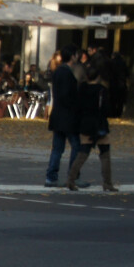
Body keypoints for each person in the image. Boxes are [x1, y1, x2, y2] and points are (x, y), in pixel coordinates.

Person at [67, 66, 116, 191]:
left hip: (85, 124)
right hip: (99, 124)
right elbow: (106, 109)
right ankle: (107, 183)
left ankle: (71, 179)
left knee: (82, 153)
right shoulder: (102, 90)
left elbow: (77, 107)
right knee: (105, 154)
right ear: (98, 77)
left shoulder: (81, 89)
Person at [46, 46, 84, 188]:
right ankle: (73, 175)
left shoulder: (57, 72)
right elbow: (68, 96)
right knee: (76, 145)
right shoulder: (68, 74)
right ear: (73, 56)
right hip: (68, 116)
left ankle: (51, 176)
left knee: (57, 148)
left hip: (57, 115)